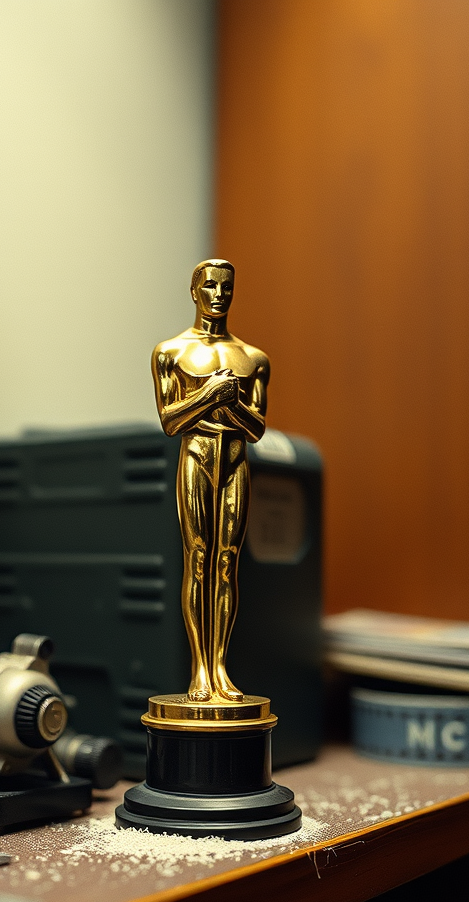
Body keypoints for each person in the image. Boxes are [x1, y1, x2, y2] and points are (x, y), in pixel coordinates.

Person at [151, 259, 269, 702]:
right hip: (196, 454)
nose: (219, 295)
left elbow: (256, 429)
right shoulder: (171, 352)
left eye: (228, 287)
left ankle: (220, 667)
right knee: (198, 556)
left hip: (235, 458)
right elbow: (169, 420)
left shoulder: (254, 358)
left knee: (227, 561)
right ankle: (200, 669)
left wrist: (227, 403)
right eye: (211, 286)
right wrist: (209, 395)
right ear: (194, 290)